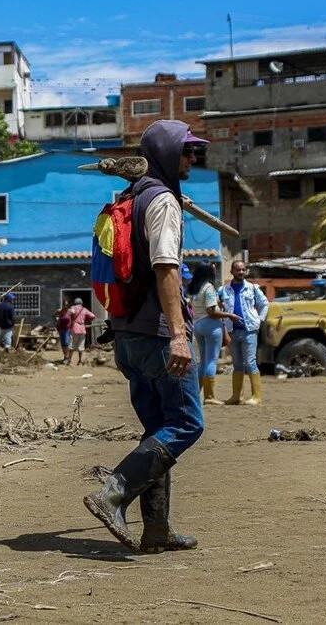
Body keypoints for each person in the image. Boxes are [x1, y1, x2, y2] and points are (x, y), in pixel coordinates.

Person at [83, 120, 206, 554]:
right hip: (156, 335)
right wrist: (178, 335)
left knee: (158, 429)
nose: (194, 159)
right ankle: (112, 492)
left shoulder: (130, 198)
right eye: (188, 152)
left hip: (126, 336)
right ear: (170, 155)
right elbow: (165, 268)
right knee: (187, 423)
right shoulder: (162, 202)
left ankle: (156, 529)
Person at [187, 262, 241, 405]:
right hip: (210, 325)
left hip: (197, 324)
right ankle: (209, 396)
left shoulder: (195, 288)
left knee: (203, 361)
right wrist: (229, 315)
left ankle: (195, 393)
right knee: (211, 360)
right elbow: (211, 311)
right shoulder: (209, 287)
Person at [218, 260, 269, 405]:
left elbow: (264, 303)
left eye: (243, 269)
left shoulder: (252, 288)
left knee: (250, 362)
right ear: (232, 271)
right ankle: (236, 396)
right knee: (237, 364)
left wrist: (260, 319)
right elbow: (216, 305)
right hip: (232, 331)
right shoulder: (223, 290)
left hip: (249, 330)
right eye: (238, 270)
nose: (241, 272)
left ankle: (256, 396)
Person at [67, 297, 95, 366]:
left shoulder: (73, 307)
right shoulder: (84, 309)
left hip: (74, 328)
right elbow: (93, 316)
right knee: (81, 346)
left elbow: (71, 312)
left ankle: (69, 361)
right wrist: (86, 322)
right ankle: (80, 361)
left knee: (72, 345)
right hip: (82, 328)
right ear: (81, 303)